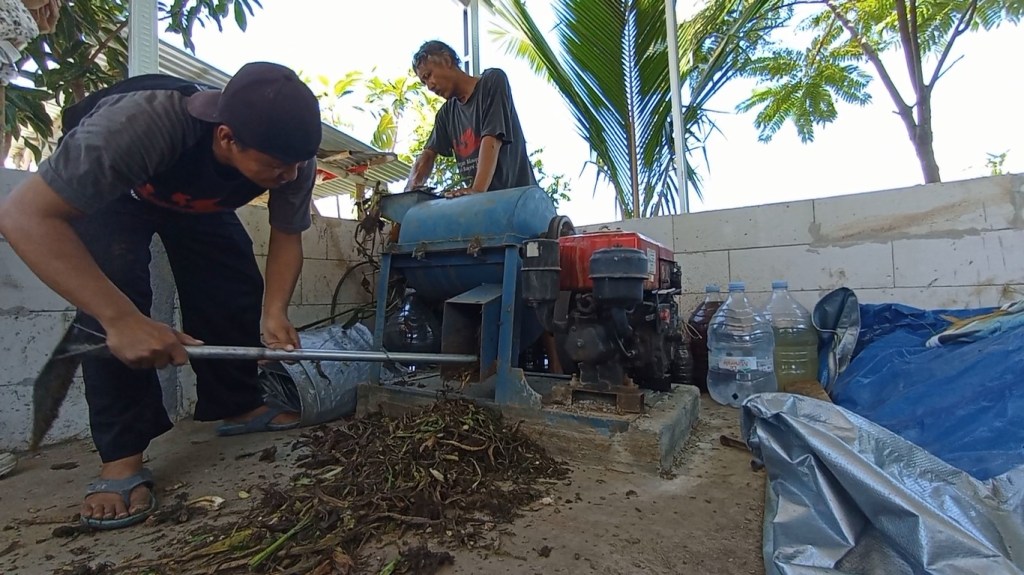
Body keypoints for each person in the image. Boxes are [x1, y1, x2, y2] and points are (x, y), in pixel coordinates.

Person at [0, 61, 322, 530]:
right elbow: (22, 216)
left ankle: (237, 404)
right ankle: (122, 458)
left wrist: (275, 312)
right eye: (276, 165)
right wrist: (120, 319)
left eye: (296, 164)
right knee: (113, 290)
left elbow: (287, 233)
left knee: (233, 280)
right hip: (119, 191)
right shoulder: (139, 125)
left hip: (194, 201)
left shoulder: (292, 157)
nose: (291, 175)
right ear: (227, 137)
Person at [405, 40, 537, 198]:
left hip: (519, 200)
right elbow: (428, 154)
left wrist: (478, 190)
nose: (429, 86)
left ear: (447, 60)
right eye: (424, 82)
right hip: (485, 205)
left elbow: (492, 139)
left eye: (429, 76)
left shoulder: (492, 81)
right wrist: (409, 191)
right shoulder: (446, 114)